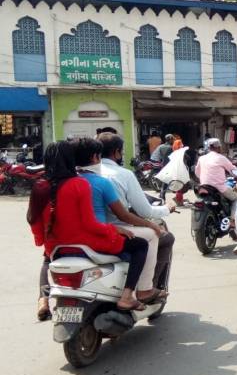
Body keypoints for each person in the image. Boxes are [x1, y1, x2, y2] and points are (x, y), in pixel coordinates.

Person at [29, 141, 150, 312]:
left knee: (45, 260)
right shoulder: (79, 184)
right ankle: (127, 296)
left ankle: (43, 299)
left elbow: (33, 220)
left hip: (56, 247)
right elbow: (90, 224)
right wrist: (114, 229)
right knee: (141, 245)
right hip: (87, 244)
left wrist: (44, 241)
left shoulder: (39, 186)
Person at [73, 137, 167, 303]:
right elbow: (125, 214)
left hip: (74, 236)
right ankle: (140, 290)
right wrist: (152, 222)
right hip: (102, 234)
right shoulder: (104, 181)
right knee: (149, 238)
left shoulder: (68, 181)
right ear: (96, 156)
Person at [97, 132, 177, 297]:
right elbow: (142, 211)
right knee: (162, 236)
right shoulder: (123, 174)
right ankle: (146, 287)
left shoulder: (85, 175)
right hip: (115, 231)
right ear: (117, 152)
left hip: (92, 230)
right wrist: (167, 209)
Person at [195, 138, 237, 216]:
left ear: (209, 148)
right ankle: (233, 220)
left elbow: (197, 173)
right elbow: (233, 170)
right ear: (218, 147)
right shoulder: (221, 158)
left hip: (204, 187)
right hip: (219, 188)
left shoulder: (201, 158)